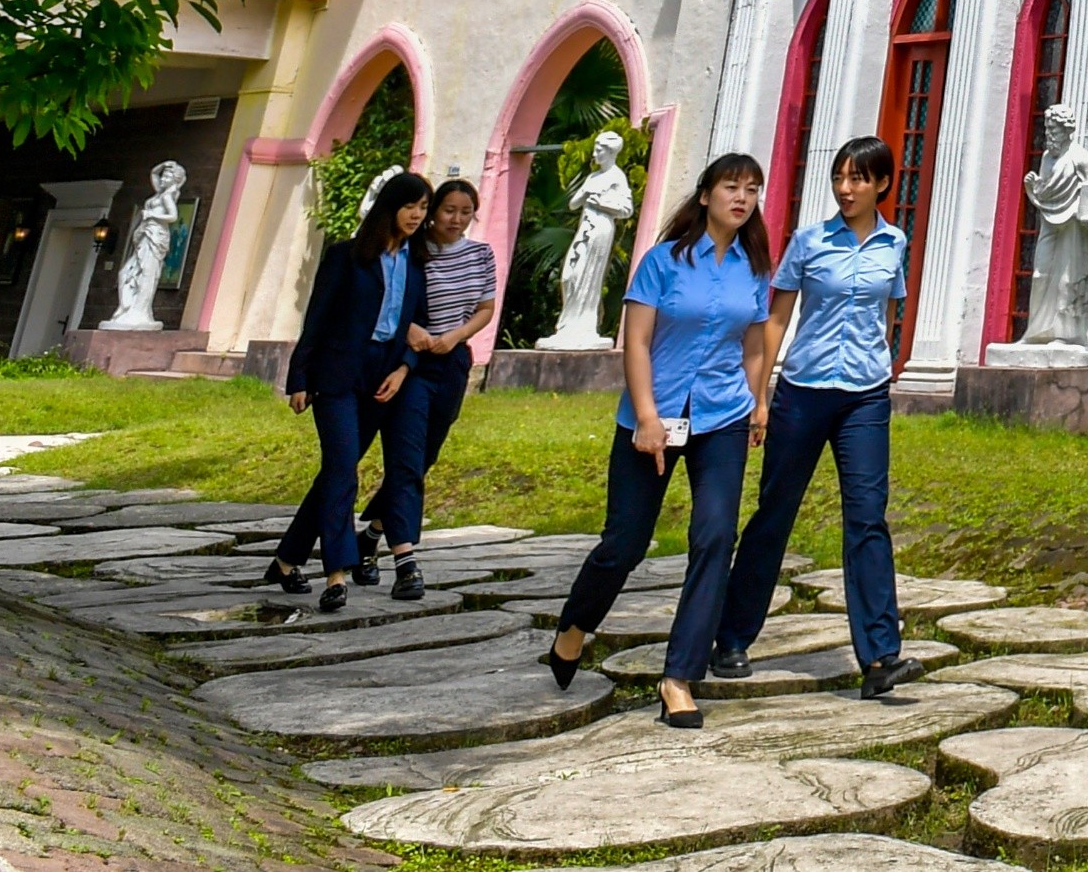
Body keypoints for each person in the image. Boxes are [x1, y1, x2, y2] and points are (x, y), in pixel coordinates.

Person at [543, 153, 774, 727]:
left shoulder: (753, 268)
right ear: (705, 195)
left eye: (751, 190)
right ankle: (574, 626)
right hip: (651, 419)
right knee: (626, 542)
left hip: (722, 416)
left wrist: (758, 401)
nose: (741, 198)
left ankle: (679, 677)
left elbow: (752, 345)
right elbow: (638, 342)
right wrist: (647, 415)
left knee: (716, 536)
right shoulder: (664, 261)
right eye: (730, 187)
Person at [712, 134, 920, 698]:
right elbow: (775, 321)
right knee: (775, 513)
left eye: (858, 179)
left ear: (881, 185)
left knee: (868, 517)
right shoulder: (808, 242)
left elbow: (887, 309)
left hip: (866, 396)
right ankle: (731, 638)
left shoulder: (894, 242)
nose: (845, 188)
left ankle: (880, 657)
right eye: (839, 177)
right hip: (802, 393)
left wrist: (887, 363)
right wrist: (759, 396)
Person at [270, 171, 428, 612]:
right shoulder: (347, 256)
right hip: (337, 375)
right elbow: (316, 318)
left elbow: (417, 326)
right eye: (410, 206)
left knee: (334, 475)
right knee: (343, 471)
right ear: (389, 207)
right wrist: (299, 378)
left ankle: (285, 560)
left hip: (381, 380)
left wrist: (403, 368)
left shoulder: (416, 265)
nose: (417, 215)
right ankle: (336, 574)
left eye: (423, 208)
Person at [358, 174, 500, 599]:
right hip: (412, 364)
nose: (456, 220)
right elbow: (392, 301)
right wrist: (415, 332)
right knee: (405, 458)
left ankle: (370, 538)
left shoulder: (480, 254)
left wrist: (456, 336)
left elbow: (486, 307)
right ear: (434, 212)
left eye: (465, 213)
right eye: (448, 211)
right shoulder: (414, 253)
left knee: (425, 458)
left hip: (453, 362)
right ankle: (406, 561)